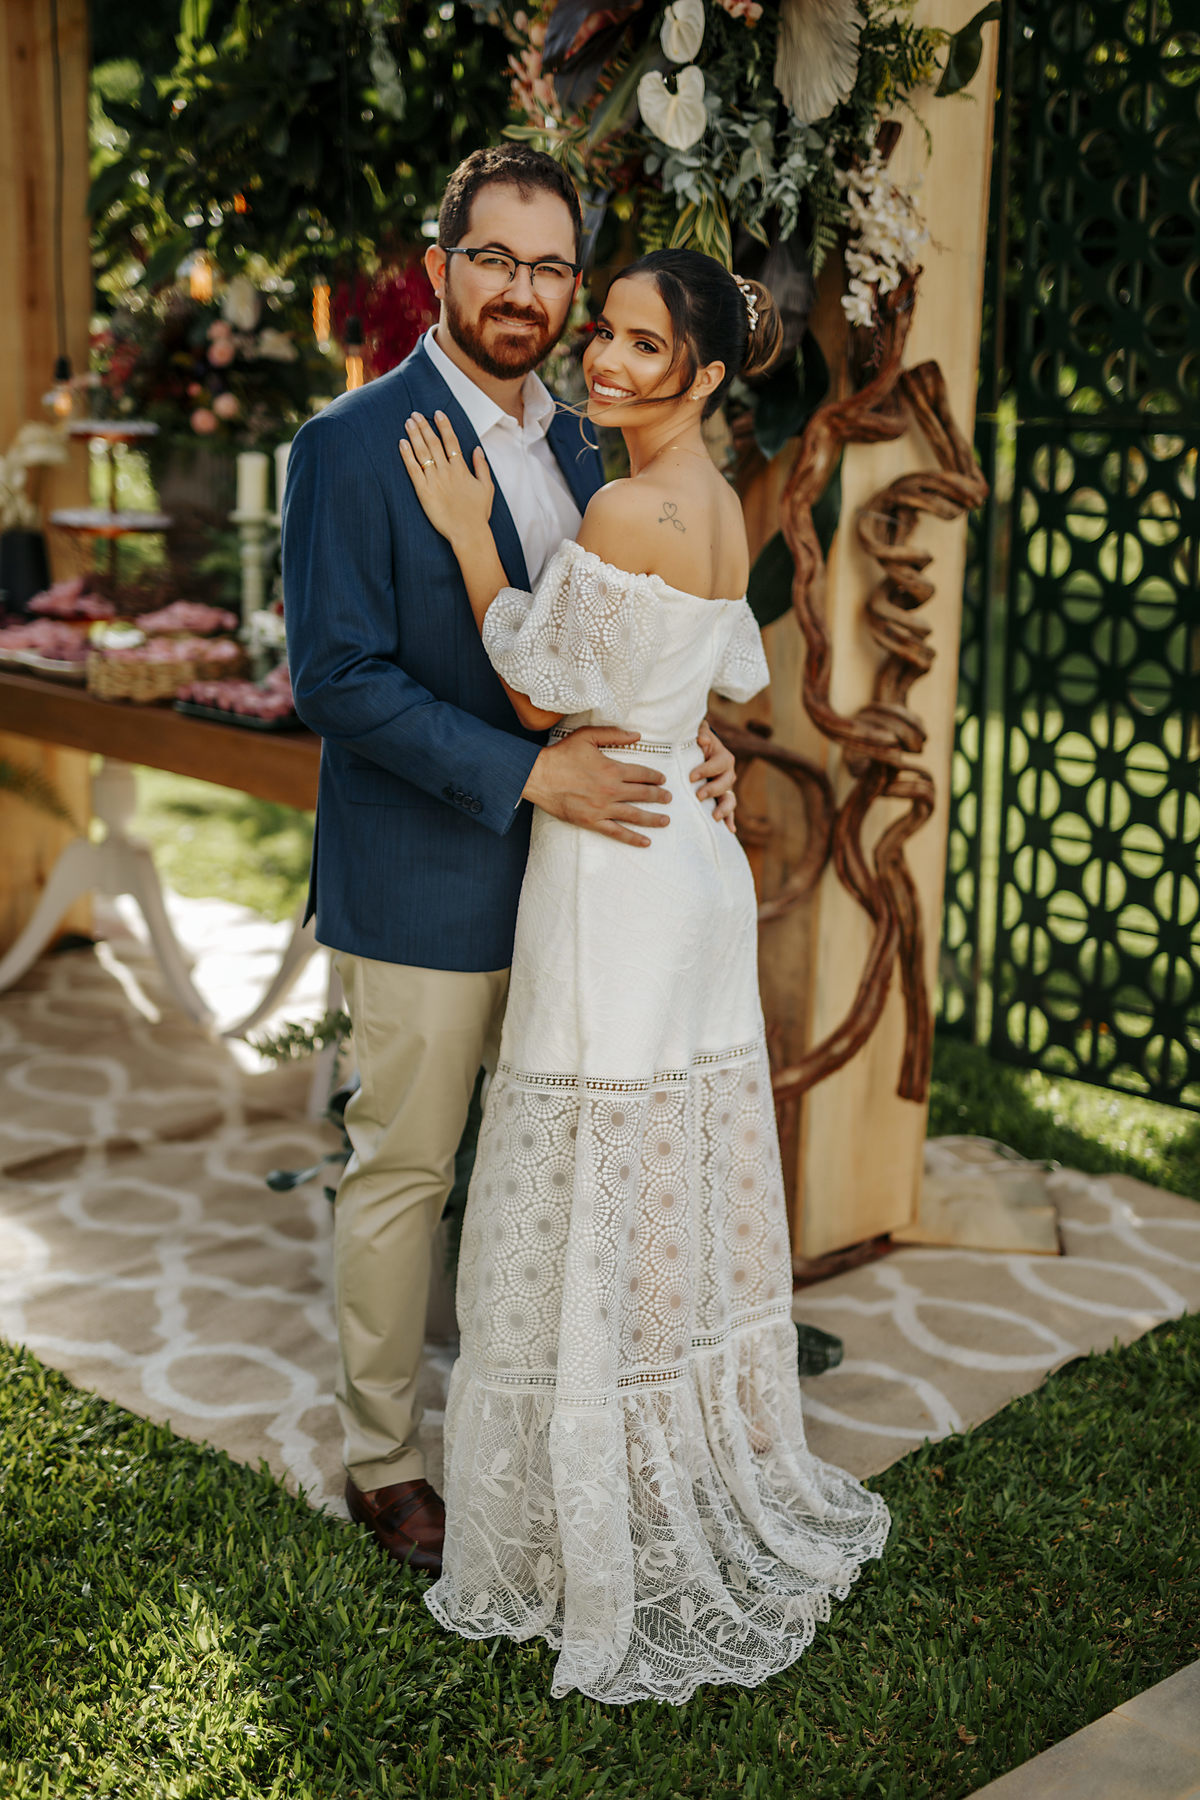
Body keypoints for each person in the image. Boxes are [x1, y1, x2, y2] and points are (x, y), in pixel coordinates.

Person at [399, 248, 890, 1706]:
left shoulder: (623, 501)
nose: (598, 360)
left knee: (595, 1165)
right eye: (599, 333)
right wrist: (690, 738)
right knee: (659, 1168)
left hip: (616, 877)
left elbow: (542, 690)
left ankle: (591, 1525)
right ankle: (653, 1476)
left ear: (707, 371)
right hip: (683, 861)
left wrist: (472, 533)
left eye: (632, 343)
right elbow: (718, 671)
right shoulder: (717, 498)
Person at [281, 146, 738, 1576]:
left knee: (547, 1182)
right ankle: (383, 1459)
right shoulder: (354, 444)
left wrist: (688, 738)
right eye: (495, 258)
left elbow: (627, 631)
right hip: (427, 876)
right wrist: (531, 766)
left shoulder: (597, 437)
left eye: (552, 268)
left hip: (586, 889)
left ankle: (532, 1431)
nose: (524, 292)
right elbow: (338, 679)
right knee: (406, 1169)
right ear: (441, 262)